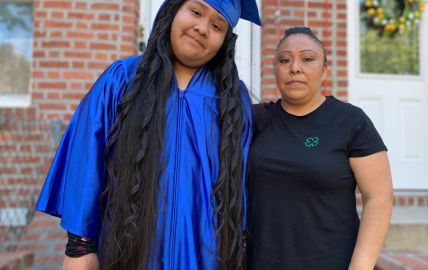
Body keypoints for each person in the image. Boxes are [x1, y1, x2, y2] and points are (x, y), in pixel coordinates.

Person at [35, 0, 261, 269]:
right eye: (196, 11)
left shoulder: (233, 101)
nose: (202, 28)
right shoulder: (122, 80)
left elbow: (242, 184)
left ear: (225, 41)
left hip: (207, 259)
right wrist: (80, 247)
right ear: (173, 10)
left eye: (217, 25)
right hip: (125, 253)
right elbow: (86, 162)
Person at [246, 27, 393, 270]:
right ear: (275, 70)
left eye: (307, 59)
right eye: (284, 60)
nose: (295, 67)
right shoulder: (255, 121)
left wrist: (360, 267)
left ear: (324, 71)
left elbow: (379, 198)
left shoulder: (350, 122)